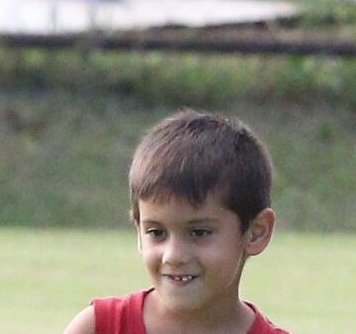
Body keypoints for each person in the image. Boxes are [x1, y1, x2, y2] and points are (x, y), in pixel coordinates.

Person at [63, 110, 290, 334]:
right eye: (156, 232)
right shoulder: (97, 328)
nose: (173, 256)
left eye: (199, 232)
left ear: (256, 232)